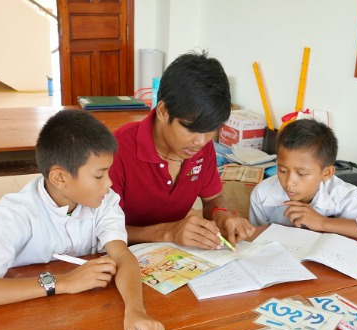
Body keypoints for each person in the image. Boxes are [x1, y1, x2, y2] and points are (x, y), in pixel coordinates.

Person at [0, 109, 165, 330]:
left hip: (83, 323)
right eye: (98, 175)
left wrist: (135, 310)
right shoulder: (15, 214)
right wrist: (62, 283)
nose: (109, 183)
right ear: (60, 178)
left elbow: (121, 256)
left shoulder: (104, 201)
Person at [109, 51, 255, 250]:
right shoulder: (116, 151)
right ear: (162, 111)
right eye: (190, 128)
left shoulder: (202, 147)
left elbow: (212, 197)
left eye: (210, 130)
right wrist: (169, 232)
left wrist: (222, 215)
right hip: (122, 257)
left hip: (174, 258)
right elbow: (99, 230)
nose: (201, 141)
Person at [249, 119, 357, 245]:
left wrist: (321, 222)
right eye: (282, 170)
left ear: (327, 173)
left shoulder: (340, 195)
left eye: (302, 173)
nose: (289, 182)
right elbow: (256, 241)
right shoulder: (262, 194)